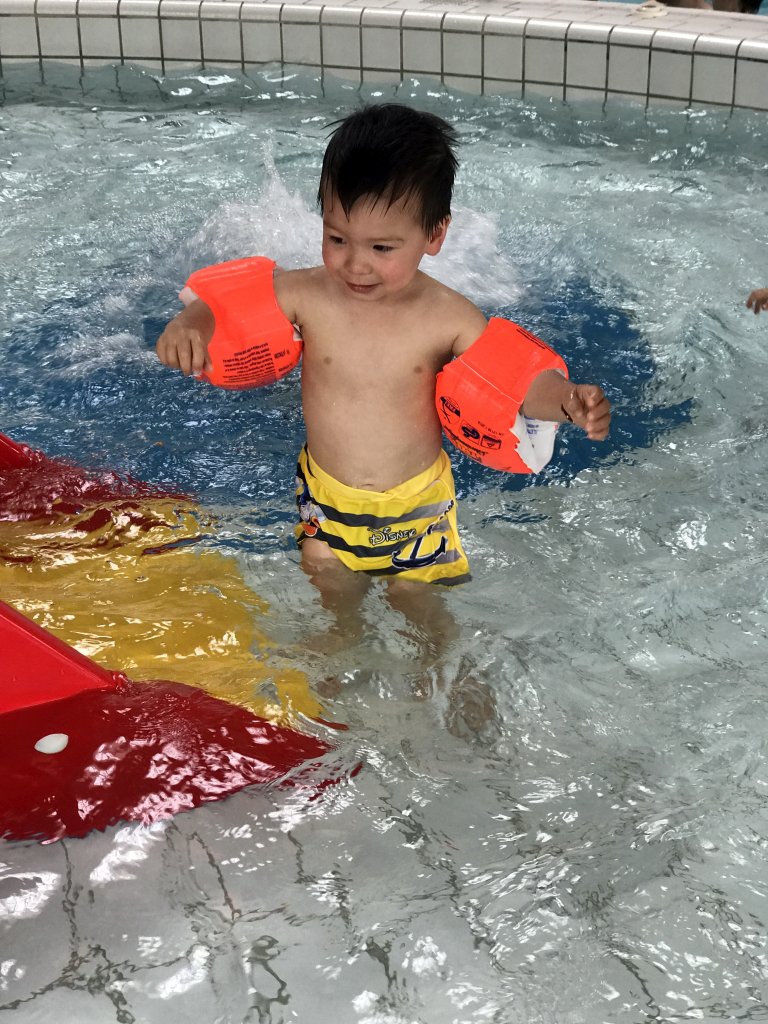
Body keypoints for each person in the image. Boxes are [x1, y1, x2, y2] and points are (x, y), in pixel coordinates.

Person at [156, 105, 610, 664]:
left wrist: (566, 402)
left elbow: (513, 383)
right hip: (327, 495)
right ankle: (344, 664)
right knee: (332, 598)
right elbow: (229, 304)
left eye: (382, 248)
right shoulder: (308, 293)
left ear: (435, 234)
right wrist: (192, 324)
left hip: (416, 506)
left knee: (422, 611)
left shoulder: (448, 317)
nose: (356, 265)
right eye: (337, 237)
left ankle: (446, 680)